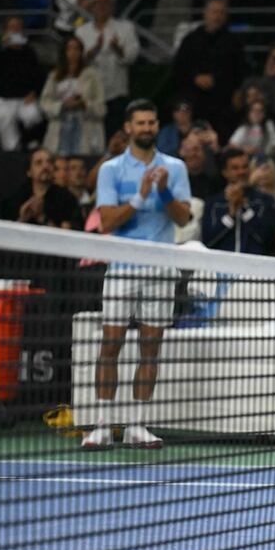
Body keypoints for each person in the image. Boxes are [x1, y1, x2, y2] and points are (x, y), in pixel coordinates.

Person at [83, 99, 192, 450]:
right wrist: (143, 197)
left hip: (161, 269)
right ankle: (101, 425)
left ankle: (137, 425)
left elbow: (183, 219)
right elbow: (108, 223)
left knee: (150, 348)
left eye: (151, 122)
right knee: (110, 344)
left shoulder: (174, 168)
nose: (146, 128)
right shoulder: (111, 170)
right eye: (140, 123)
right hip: (122, 268)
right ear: (128, 128)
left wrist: (163, 192)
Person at [172, 0, 246, 140]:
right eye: (214, 12)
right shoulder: (190, 40)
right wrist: (195, 78)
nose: (217, 17)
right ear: (205, 14)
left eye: (221, 13)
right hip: (193, 92)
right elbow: (179, 68)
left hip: (223, 94)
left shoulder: (234, 42)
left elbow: (240, 70)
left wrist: (219, 81)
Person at [75, 0, 140, 136]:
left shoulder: (125, 28)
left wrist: (118, 50)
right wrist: (93, 51)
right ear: (91, 7)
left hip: (116, 92)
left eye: (106, 3)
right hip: (90, 94)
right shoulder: (82, 32)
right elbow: (76, 61)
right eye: (98, 3)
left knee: (116, 135)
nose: (102, 7)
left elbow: (132, 56)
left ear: (112, 6)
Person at [202, 147, 275, 254]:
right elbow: (208, 241)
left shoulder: (264, 201)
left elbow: (269, 240)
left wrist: (244, 208)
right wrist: (230, 215)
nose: (241, 172)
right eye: (235, 168)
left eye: (245, 167)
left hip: (255, 266)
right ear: (225, 172)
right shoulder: (214, 203)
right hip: (222, 266)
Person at [0, 16, 45, 152]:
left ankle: (32, 146)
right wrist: (3, 47)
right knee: (9, 142)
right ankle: (12, 154)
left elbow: (38, 75)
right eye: (12, 27)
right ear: (5, 30)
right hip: (2, 99)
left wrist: (33, 92)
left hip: (24, 98)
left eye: (19, 27)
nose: (16, 30)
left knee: (33, 115)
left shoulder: (29, 52)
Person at [40, 36, 106, 156]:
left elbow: (101, 108)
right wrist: (62, 105)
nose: (73, 52)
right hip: (60, 128)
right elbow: (45, 103)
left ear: (81, 52)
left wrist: (84, 104)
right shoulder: (54, 76)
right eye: (69, 49)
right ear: (64, 52)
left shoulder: (92, 75)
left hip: (85, 127)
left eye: (76, 49)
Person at [4, 148, 79, 229]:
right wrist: (22, 220)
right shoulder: (17, 197)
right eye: (39, 163)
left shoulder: (66, 198)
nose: (45, 166)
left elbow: (68, 235)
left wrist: (42, 218)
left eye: (49, 162)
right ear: (29, 172)